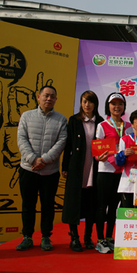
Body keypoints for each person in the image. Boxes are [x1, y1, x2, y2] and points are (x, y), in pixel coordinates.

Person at [16, 85, 67, 251]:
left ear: (56, 99)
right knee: (28, 205)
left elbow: (61, 142)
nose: (49, 99)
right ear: (38, 97)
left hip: (49, 172)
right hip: (28, 169)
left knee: (48, 205)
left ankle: (46, 237)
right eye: (46, 95)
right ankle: (27, 236)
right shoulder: (26, 116)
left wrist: (44, 160)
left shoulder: (61, 120)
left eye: (52, 96)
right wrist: (33, 159)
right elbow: (21, 139)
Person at [61, 91, 103, 252]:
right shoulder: (74, 120)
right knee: (73, 203)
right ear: (81, 103)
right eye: (84, 101)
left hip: (94, 168)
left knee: (91, 204)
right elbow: (68, 146)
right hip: (77, 168)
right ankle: (74, 237)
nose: (87, 105)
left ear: (95, 104)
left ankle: (87, 237)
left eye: (90, 102)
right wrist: (65, 167)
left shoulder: (101, 122)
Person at [94, 93, 132, 254]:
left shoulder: (129, 126)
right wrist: (100, 157)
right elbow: (97, 151)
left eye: (120, 104)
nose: (117, 107)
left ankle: (109, 237)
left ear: (124, 106)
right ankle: (99, 239)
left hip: (121, 172)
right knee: (102, 206)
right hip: (106, 170)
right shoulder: (102, 125)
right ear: (108, 106)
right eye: (113, 104)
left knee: (114, 206)